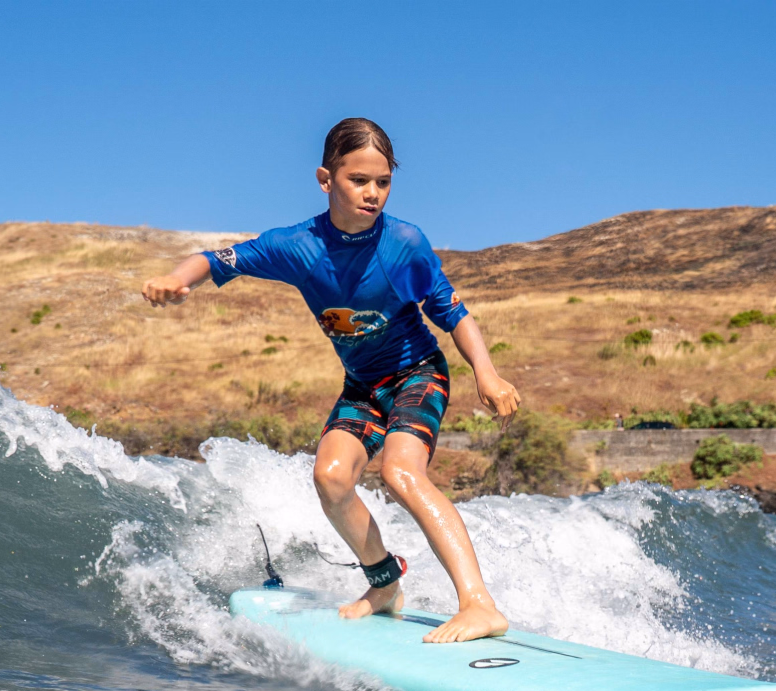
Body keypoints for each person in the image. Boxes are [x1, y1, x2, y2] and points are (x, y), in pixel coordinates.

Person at [140, 118, 516, 644]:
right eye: (358, 180)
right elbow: (216, 258)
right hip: (362, 385)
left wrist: (487, 373)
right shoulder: (297, 246)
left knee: (402, 473)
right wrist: (177, 281)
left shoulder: (405, 244)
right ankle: (384, 583)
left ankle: (479, 604)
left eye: (382, 182)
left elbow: (454, 313)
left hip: (417, 373)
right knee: (331, 478)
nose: (372, 193)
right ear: (325, 179)